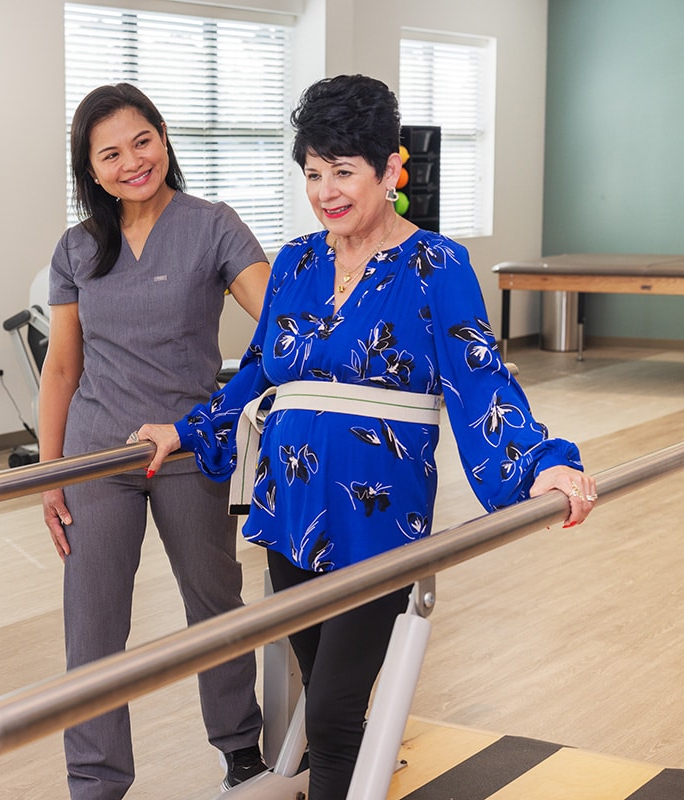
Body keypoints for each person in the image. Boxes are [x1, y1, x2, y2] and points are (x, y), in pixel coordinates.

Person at [133, 74, 598, 800]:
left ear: (390, 170)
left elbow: (480, 380)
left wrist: (541, 463)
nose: (325, 191)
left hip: (376, 520)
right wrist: (187, 431)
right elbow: (256, 373)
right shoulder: (295, 262)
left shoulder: (436, 267)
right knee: (322, 695)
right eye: (313, 173)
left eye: (343, 171)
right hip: (289, 515)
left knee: (336, 712)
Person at [39, 82, 272, 799]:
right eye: (110, 154)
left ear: (164, 138)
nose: (131, 161)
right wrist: (48, 475)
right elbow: (62, 365)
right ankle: (96, 782)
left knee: (213, 601)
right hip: (98, 454)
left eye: (142, 141)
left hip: (186, 448)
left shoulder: (213, 225)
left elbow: (278, 323)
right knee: (94, 623)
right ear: (91, 168)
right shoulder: (77, 248)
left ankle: (240, 751)